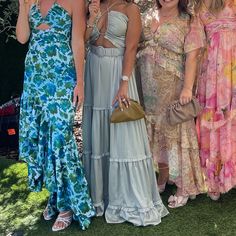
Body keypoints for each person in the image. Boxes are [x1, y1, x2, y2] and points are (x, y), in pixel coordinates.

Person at [83, 0, 168, 226]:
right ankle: (99, 197)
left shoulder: (131, 9)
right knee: (99, 129)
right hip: (94, 70)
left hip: (117, 73)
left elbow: (130, 48)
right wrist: (91, 18)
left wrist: (123, 83)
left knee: (123, 130)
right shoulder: (92, 5)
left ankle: (127, 199)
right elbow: (82, 41)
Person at [16, 0, 95, 231]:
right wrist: (22, 6)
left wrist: (80, 82)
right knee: (43, 138)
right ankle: (55, 198)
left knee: (61, 138)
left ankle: (69, 205)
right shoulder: (32, 1)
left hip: (61, 76)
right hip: (34, 77)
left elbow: (78, 40)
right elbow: (22, 38)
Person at [137, 0, 206, 208]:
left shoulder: (189, 20)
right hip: (148, 88)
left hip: (174, 88)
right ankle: (163, 176)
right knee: (157, 132)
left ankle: (184, 187)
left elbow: (192, 57)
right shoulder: (149, 15)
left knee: (175, 132)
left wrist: (187, 88)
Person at [196, 0, 236, 200]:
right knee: (211, 119)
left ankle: (231, 174)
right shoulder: (199, 5)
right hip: (209, 71)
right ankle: (213, 177)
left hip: (232, 68)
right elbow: (195, 40)